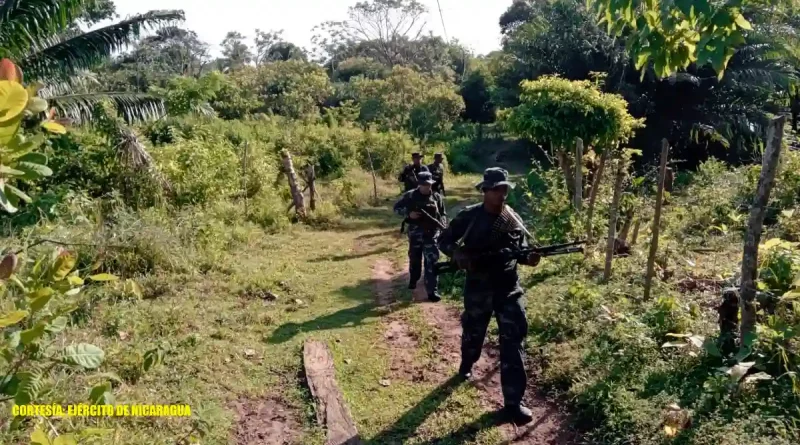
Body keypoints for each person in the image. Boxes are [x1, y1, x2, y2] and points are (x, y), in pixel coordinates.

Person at [437, 167, 540, 425]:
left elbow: (522, 250)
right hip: (478, 288)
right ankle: (467, 364)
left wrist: (528, 258)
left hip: (508, 289)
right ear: (485, 191)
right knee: (473, 334)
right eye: (496, 189)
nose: (501, 194)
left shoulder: (512, 218)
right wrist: (457, 254)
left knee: (513, 343)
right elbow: (444, 240)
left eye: (504, 188)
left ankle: (514, 403)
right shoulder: (469, 217)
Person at [393, 171, 446, 302]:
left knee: (432, 262)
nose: (427, 187)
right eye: (424, 184)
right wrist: (408, 214)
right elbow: (396, 208)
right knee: (415, 259)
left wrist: (443, 224)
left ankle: (432, 290)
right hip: (416, 235)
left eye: (429, 184)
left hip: (432, 235)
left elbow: (443, 214)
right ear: (420, 184)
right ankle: (414, 278)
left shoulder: (436, 197)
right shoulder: (410, 196)